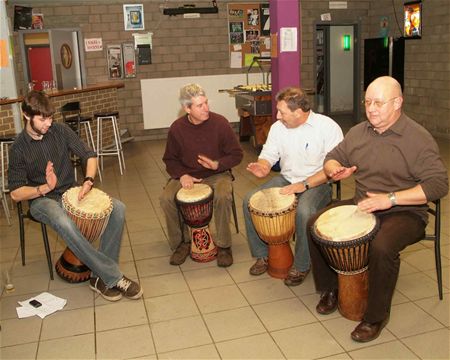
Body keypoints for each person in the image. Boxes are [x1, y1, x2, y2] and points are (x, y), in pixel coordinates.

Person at [308, 76, 448, 342]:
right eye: (367, 102)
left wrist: (391, 199)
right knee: (314, 225)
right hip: (364, 204)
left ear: (397, 103)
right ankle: (329, 289)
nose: (371, 108)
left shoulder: (418, 138)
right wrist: (333, 169)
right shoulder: (359, 132)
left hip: (404, 211)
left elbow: (439, 184)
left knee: (382, 246)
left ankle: (375, 317)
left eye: (379, 103)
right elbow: (332, 157)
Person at [8, 91, 143, 302]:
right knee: (64, 220)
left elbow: (89, 154)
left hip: (70, 191)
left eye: (50, 118)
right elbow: (16, 193)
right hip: (41, 200)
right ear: (26, 115)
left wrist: (88, 181)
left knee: (118, 208)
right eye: (42, 119)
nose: (48, 123)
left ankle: (99, 277)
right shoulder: (18, 148)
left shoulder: (60, 131)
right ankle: (113, 276)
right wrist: (43, 187)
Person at [243, 87, 343, 286]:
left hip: (317, 182)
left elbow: (334, 168)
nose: (278, 116)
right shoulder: (278, 127)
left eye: (282, 112)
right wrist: (263, 167)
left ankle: (302, 265)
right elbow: (269, 155)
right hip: (287, 179)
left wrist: (304, 184)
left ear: (299, 113)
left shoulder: (327, 127)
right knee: (250, 200)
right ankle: (262, 255)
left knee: (304, 211)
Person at [160, 83, 243, 267]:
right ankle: (181, 243)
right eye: (199, 105)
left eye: (206, 103)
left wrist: (217, 164)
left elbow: (237, 154)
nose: (206, 108)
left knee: (222, 195)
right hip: (187, 174)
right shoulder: (177, 128)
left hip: (217, 174)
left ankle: (224, 245)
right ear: (187, 108)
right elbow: (170, 159)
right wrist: (182, 175)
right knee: (166, 198)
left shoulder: (220, 123)